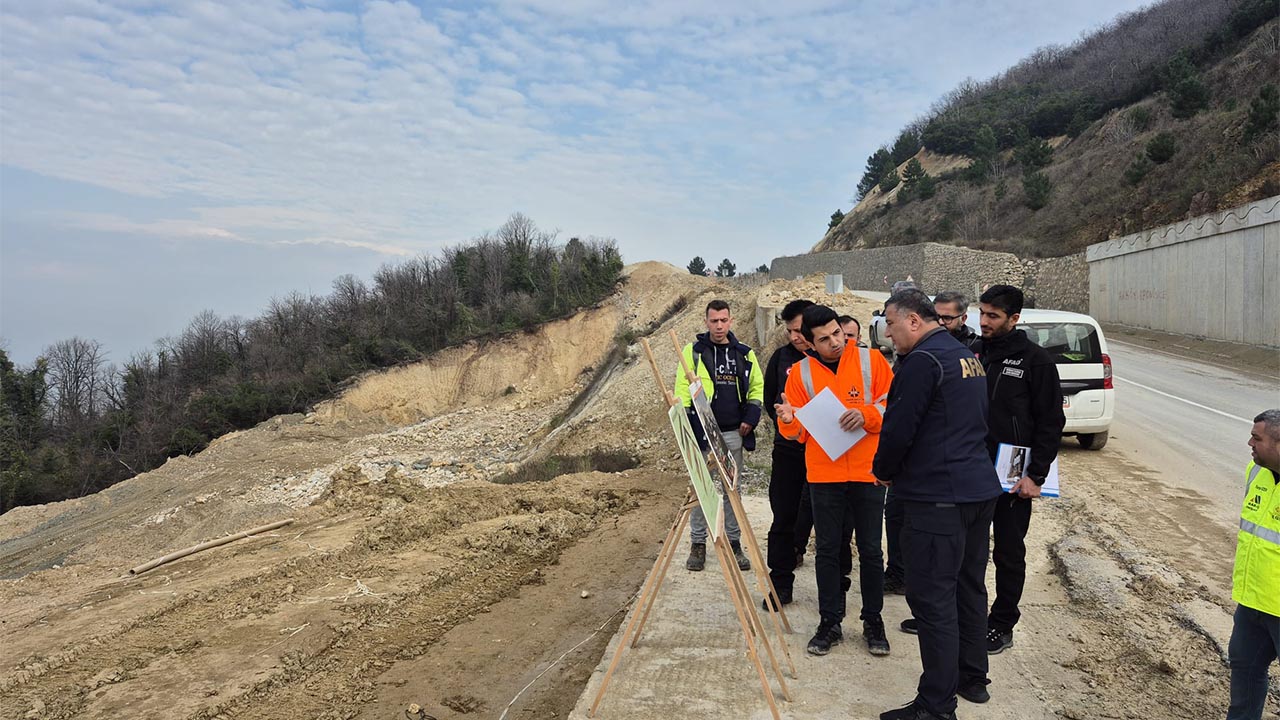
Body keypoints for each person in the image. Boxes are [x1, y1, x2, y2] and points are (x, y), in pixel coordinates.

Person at [872, 288, 1003, 720]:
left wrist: (884, 469)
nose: (887, 334)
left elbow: (898, 429)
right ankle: (972, 678)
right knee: (968, 589)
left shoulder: (921, 363)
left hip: (937, 498)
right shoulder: (966, 357)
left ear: (913, 320)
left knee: (933, 601)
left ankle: (936, 705)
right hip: (976, 491)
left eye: (890, 324)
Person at [774, 304, 894, 658]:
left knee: (871, 551)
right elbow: (796, 433)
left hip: (867, 472)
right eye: (824, 339)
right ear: (810, 343)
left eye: (837, 334)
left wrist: (868, 415)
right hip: (824, 475)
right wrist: (786, 418)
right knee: (826, 550)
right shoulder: (800, 374)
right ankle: (830, 622)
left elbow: (894, 406)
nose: (835, 343)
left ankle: (873, 621)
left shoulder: (873, 362)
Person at [977, 284, 1065, 654]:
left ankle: (1001, 623)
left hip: (1014, 467)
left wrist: (1036, 476)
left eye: (992, 316)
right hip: (972, 464)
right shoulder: (973, 352)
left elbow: (1050, 422)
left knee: (1008, 551)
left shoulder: (1036, 361)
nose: (983, 322)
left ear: (1014, 319)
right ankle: (964, 614)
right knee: (967, 547)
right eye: (981, 313)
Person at [675, 299, 764, 573]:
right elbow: (681, 388)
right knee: (702, 489)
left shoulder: (744, 354)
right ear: (706, 322)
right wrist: (689, 422)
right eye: (714, 321)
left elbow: (756, 387)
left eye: (724, 320)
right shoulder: (692, 352)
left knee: (731, 490)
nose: (719, 325)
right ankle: (698, 543)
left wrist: (751, 417)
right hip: (702, 432)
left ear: (731, 320)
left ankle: (734, 542)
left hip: (733, 432)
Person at [1227, 409, 1280, 720]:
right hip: (1252, 601)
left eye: (1257, 438)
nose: (1249, 442)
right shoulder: (1255, 471)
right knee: (1244, 670)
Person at [762, 299, 814, 607]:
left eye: (800, 329)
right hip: (788, 450)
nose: (795, 336)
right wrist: (787, 421)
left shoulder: (828, 359)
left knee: (830, 520)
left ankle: (834, 592)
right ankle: (781, 582)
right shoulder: (781, 359)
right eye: (790, 330)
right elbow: (771, 401)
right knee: (783, 516)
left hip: (825, 453)